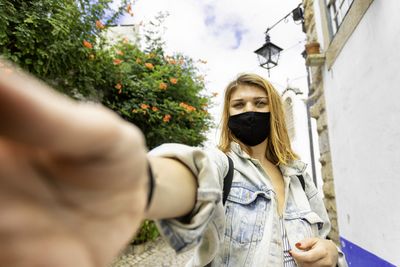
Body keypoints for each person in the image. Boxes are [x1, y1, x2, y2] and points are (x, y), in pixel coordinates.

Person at [0, 60, 346, 267]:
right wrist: (133, 184)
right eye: (238, 106)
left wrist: (330, 252)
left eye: (259, 103)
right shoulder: (224, 165)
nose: (249, 111)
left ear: (274, 112)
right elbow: (193, 175)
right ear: (227, 117)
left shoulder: (300, 177)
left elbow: (330, 242)